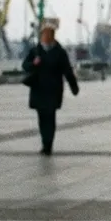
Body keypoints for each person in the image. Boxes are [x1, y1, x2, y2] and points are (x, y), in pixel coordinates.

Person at [23, 23, 78, 155]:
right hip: (39, 89)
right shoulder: (35, 51)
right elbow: (25, 65)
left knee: (50, 116)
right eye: (44, 33)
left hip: (53, 89)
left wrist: (73, 86)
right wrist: (33, 63)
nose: (46, 36)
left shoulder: (60, 52)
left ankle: (48, 144)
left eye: (49, 33)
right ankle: (44, 142)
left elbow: (67, 71)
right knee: (42, 117)